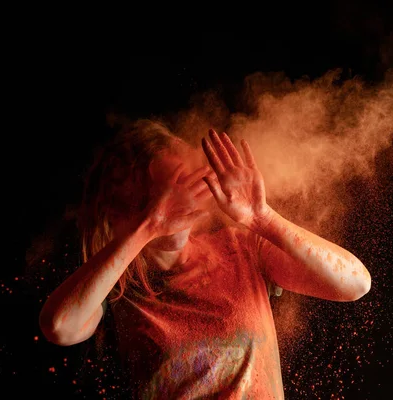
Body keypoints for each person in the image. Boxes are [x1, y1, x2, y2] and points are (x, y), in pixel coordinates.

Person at [39, 120, 372, 399]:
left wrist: (262, 217)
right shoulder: (120, 288)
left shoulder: (241, 248)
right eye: (168, 188)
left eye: (190, 180)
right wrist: (150, 226)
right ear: (127, 204)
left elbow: (355, 283)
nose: (187, 196)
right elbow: (59, 327)